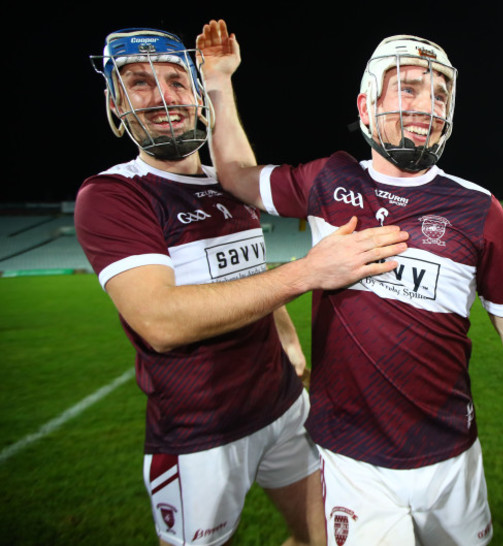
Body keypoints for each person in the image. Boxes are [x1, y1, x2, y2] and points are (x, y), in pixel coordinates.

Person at [197, 19, 503, 546]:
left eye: (439, 92)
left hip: (455, 459)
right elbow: (236, 175)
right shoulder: (328, 181)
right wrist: (219, 83)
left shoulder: (478, 210)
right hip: (352, 460)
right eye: (408, 87)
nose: (428, 104)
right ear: (366, 106)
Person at [74, 27, 409, 546]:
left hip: (282, 405)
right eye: (140, 83)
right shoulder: (113, 194)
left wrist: (287, 338)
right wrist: (308, 271)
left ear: (196, 94)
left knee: (326, 536)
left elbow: (248, 275)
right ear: (114, 101)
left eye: (175, 81)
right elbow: (160, 321)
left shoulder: (224, 185)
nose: (163, 97)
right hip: (198, 430)